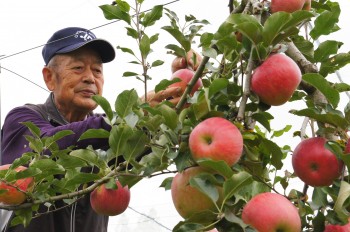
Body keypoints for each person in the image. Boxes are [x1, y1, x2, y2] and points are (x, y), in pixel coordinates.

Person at [0, 27, 182, 232]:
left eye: (97, 70)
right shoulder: (24, 119)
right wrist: (131, 114)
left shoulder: (109, 134)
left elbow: (152, 143)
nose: (90, 78)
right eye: (78, 68)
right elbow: (46, 146)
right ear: (50, 77)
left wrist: (183, 89)